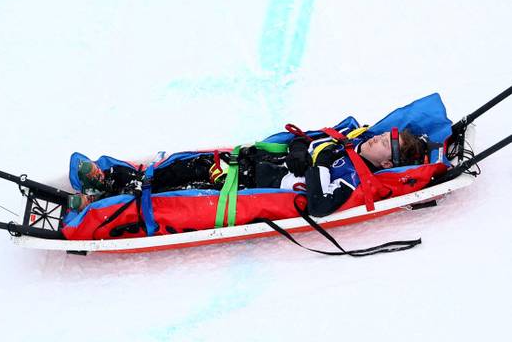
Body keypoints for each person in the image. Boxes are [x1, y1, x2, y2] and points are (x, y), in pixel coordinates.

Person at [71, 128, 428, 217]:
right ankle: (115, 181)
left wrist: (314, 165)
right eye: (384, 135)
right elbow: (307, 142)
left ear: (387, 164)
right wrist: (302, 148)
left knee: (182, 193)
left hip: (254, 188)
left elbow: (321, 205)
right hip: (250, 165)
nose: (379, 138)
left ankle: (103, 202)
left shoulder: (353, 179)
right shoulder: (350, 140)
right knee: (186, 165)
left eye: (385, 143)